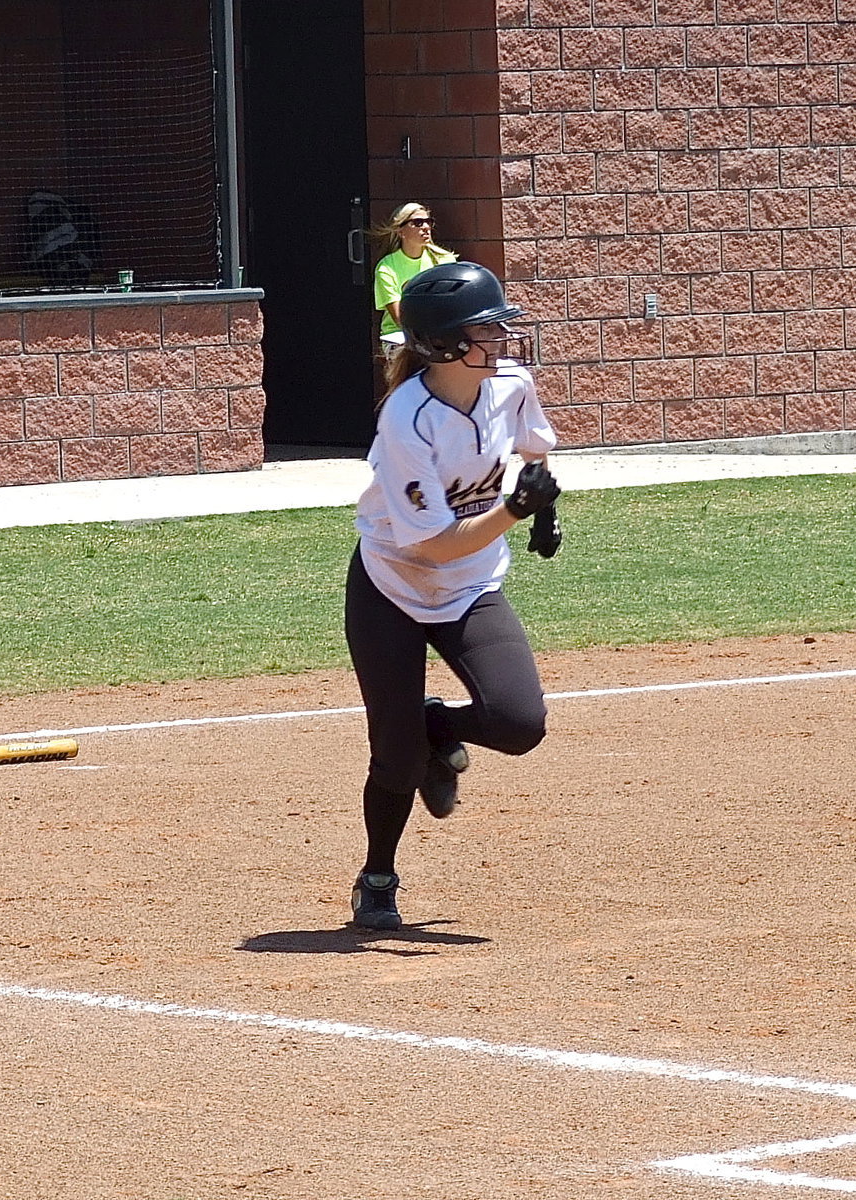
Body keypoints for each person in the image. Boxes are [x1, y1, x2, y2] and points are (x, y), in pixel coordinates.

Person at [345, 261, 563, 931]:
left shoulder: (510, 386)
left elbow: (533, 449)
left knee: (520, 722)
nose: (500, 340)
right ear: (441, 344)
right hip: (393, 584)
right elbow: (434, 543)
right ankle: (377, 876)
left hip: (470, 585)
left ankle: (436, 723)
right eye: (483, 330)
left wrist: (544, 504)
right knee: (397, 756)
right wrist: (513, 515)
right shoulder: (407, 419)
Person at [371, 202, 457, 345]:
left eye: (428, 222)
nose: (426, 227)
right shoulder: (386, 268)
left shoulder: (445, 260)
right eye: (417, 223)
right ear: (400, 231)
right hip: (399, 336)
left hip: (439, 332)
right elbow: (400, 319)